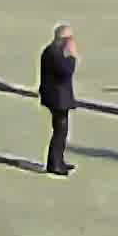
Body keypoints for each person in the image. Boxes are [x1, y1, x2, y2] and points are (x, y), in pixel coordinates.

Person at [38, 23, 80, 176]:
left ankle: (58, 160)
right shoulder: (55, 53)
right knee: (60, 132)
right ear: (64, 39)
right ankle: (54, 164)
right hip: (57, 98)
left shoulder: (51, 50)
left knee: (61, 131)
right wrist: (73, 57)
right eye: (70, 38)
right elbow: (66, 71)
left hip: (55, 96)